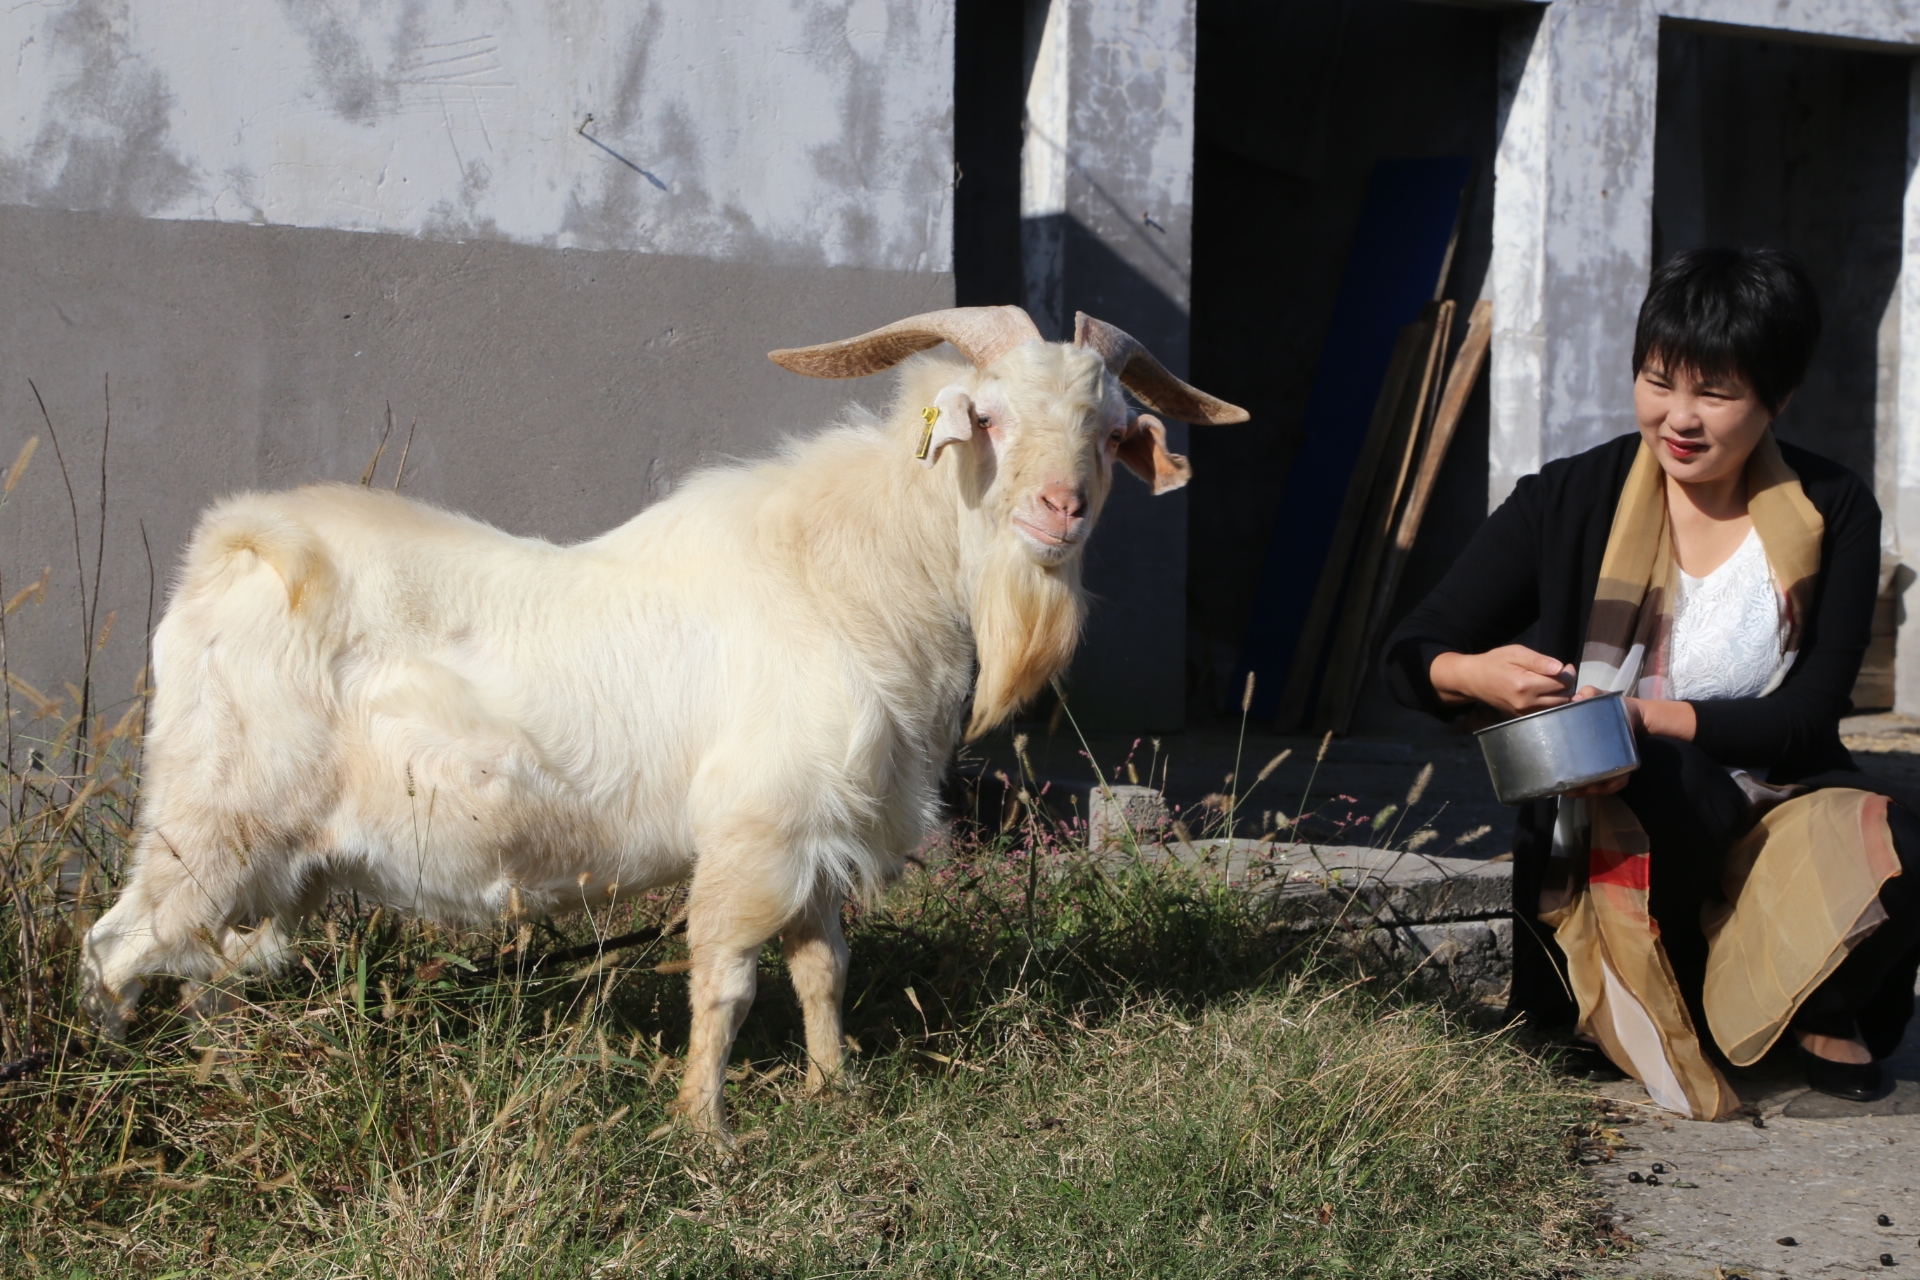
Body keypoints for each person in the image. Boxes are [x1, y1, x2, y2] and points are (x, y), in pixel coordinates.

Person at [1383, 247, 1920, 1110]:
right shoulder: (1569, 498)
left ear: (1777, 398)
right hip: (1623, 828)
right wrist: (1474, 673)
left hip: (1767, 803)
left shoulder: (1833, 507)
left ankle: (1823, 1001)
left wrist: (1638, 714)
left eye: (1716, 393)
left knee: (1897, 831)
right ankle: (1652, 990)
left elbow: (1811, 718)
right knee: (1648, 771)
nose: (1679, 418)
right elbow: (1411, 653)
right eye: (1659, 380)